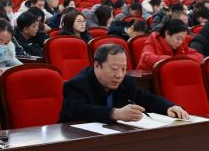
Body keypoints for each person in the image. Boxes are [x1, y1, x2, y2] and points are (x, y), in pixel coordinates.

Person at [61, 43, 190, 123]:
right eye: (114, 69)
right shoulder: (77, 84)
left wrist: (168, 107)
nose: (119, 75)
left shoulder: (126, 80)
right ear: (97, 65)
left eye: (123, 69)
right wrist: (115, 113)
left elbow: (145, 98)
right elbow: (79, 110)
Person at [137, 19, 203, 70]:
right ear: (167, 33)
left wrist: (180, 60)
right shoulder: (153, 42)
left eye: (183, 39)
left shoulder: (180, 45)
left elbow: (199, 56)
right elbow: (147, 58)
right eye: (178, 38)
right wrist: (176, 60)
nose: (180, 42)